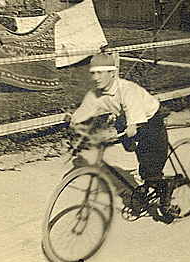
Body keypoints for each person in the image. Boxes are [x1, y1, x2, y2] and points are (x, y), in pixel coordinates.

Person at [70, 53, 168, 187]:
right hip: (124, 119)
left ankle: (164, 191)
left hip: (150, 119)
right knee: (130, 147)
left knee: (151, 166)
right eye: (93, 73)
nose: (96, 78)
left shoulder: (127, 90)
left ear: (111, 73)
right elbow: (84, 111)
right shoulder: (96, 93)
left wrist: (130, 129)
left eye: (100, 73)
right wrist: (73, 122)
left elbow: (133, 125)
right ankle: (142, 174)